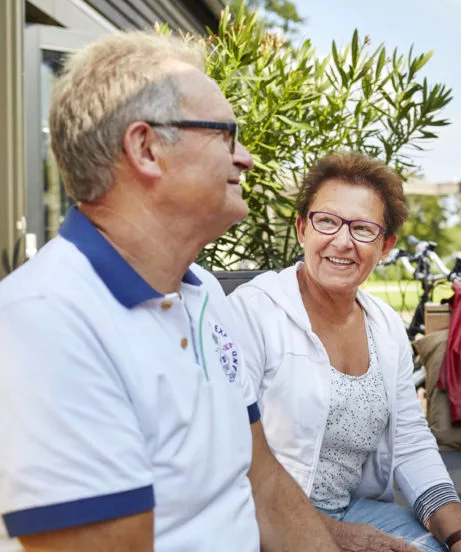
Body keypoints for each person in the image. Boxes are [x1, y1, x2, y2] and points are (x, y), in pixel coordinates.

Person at [0, 32, 339, 552]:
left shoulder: (203, 294)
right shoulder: (45, 322)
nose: (245, 158)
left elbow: (262, 482)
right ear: (146, 148)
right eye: (227, 135)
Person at [229, 152, 461, 552]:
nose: (342, 241)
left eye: (362, 229)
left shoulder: (385, 326)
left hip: (349, 510)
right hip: (264, 517)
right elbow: (229, 458)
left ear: (385, 246)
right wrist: (340, 537)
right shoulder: (252, 311)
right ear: (301, 229)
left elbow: (411, 442)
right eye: (326, 221)